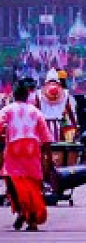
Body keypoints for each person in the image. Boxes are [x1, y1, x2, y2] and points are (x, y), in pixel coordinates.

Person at [0, 80, 55, 231]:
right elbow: (46, 138)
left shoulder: (7, 110)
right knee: (32, 185)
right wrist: (49, 160)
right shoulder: (36, 111)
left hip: (14, 149)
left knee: (16, 184)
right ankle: (32, 220)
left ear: (13, 95)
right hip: (32, 150)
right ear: (27, 96)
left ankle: (22, 212)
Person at [30, 68, 77, 141]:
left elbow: (36, 111)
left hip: (44, 125)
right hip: (58, 125)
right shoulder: (65, 93)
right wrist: (75, 125)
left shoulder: (38, 93)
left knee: (45, 148)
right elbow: (70, 112)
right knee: (58, 149)